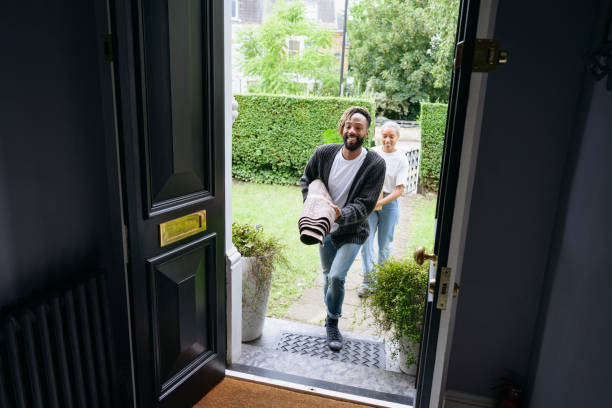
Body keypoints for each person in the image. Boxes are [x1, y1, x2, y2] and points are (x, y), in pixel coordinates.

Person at [300, 106, 386, 351]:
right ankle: (331, 313)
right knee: (327, 276)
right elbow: (307, 181)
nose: (352, 130)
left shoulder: (375, 164)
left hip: (353, 230)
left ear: (366, 132)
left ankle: (332, 321)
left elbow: (366, 204)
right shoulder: (324, 153)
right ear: (343, 128)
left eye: (358, 127)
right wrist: (315, 208)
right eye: (349, 125)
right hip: (323, 227)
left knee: (337, 276)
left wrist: (341, 214)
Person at [358, 120, 409, 297]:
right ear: (380, 136)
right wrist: (370, 200)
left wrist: (381, 202)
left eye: (391, 137)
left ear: (398, 138)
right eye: (384, 136)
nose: (387, 140)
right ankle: (368, 284)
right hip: (371, 202)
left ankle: (383, 283)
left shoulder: (401, 159)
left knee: (385, 246)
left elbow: (400, 189)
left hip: (389, 204)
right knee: (365, 243)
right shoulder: (373, 153)